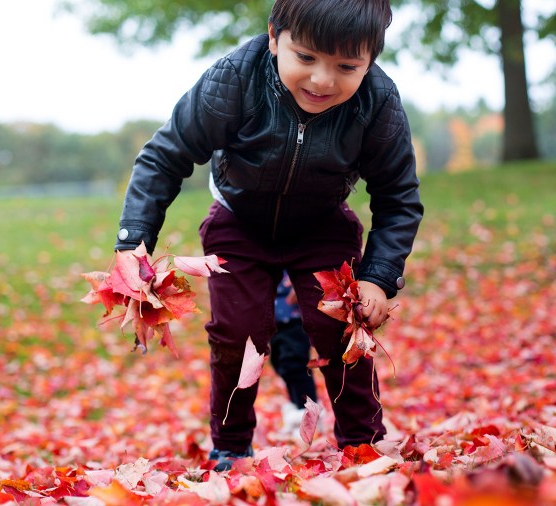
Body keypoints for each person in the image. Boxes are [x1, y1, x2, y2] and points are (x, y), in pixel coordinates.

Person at [113, 0, 423, 471]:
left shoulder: (376, 101)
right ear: (276, 38)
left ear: (371, 61)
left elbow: (398, 196)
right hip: (239, 221)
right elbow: (164, 157)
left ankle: (362, 442)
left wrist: (379, 277)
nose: (322, 80)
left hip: (322, 223)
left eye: (346, 67)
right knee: (238, 331)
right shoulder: (235, 78)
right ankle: (231, 446)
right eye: (306, 58)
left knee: (340, 327)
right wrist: (133, 240)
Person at [272, 272, 318, 434]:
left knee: (295, 363)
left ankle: (307, 411)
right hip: (273, 316)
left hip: (294, 315)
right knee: (281, 365)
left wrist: (303, 282)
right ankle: (297, 406)